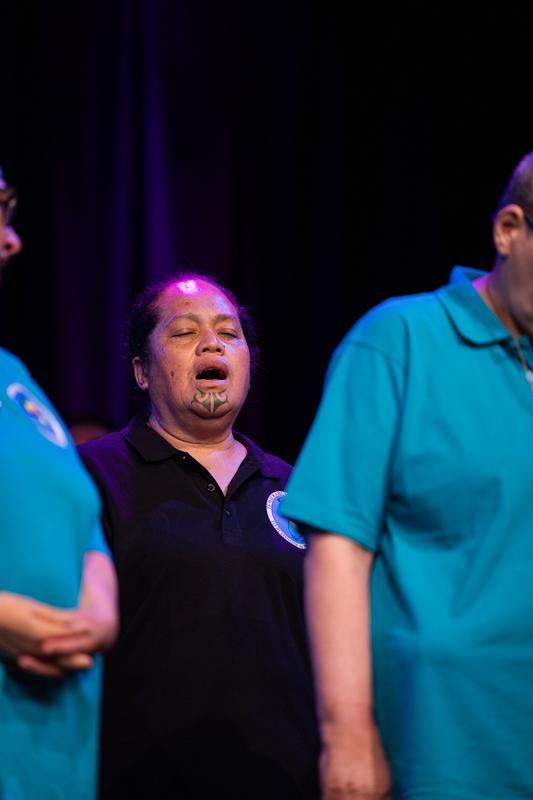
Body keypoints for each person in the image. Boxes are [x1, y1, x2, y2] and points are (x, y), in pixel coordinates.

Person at [281, 151, 533, 799]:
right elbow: (337, 544)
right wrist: (347, 732)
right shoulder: (399, 339)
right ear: (508, 229)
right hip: (443, 742)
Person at [79, 273, 320, 799]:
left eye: (228, 334)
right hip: (137, 777)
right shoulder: (90, 476)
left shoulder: (298, 487)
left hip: (286, 779)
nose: (212, 344)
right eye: (185, 333)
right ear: (142, 371)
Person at [0, 165, 119, 800]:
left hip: (53, 751)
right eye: (0, 211)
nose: (13, 239)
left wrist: (99, 614)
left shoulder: (14, 376)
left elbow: (84, 525)